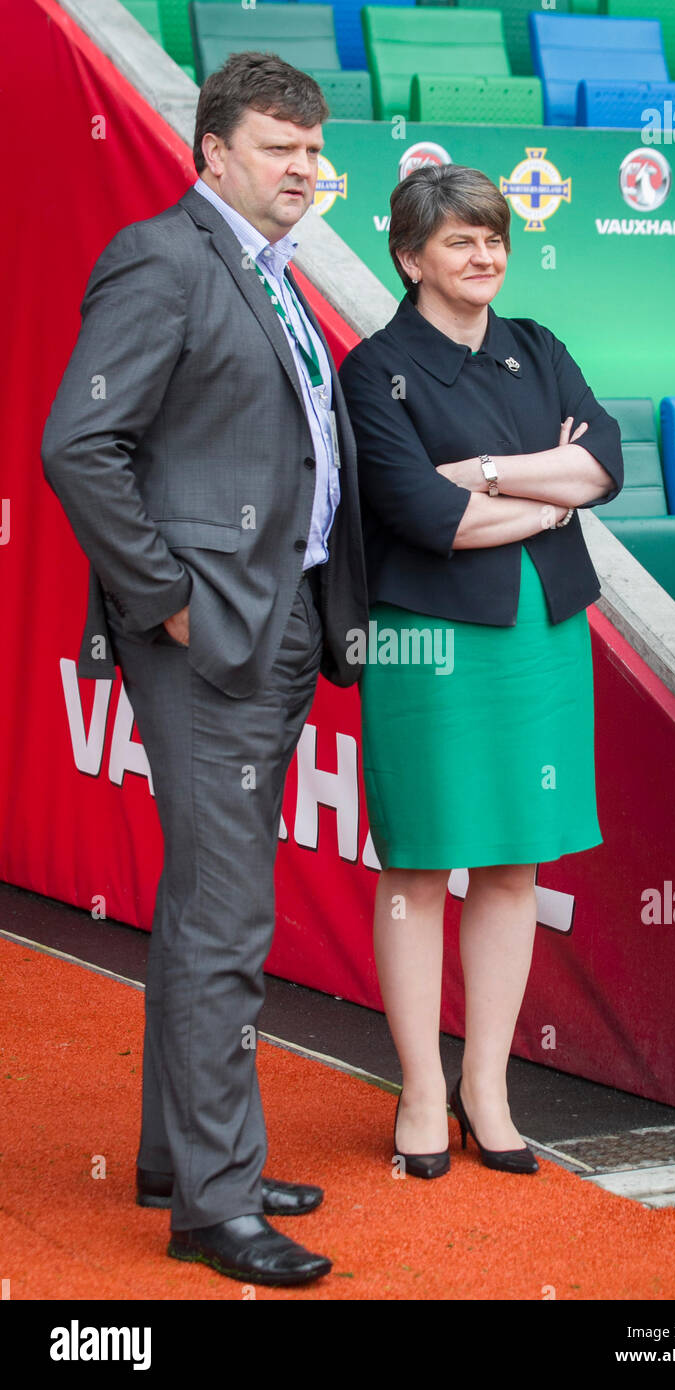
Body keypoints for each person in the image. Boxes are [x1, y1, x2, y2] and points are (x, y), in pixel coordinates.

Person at [41, 52, 368, 1286]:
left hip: (276, 624)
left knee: (201, 910)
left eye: (311, 146)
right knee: (226, 918)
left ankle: (183, 1159)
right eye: (278, 144)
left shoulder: (269, 275)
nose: (301, 165)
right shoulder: (163, 255)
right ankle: (216, 1208)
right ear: (213, 152)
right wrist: (166, 602)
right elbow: (80, 441)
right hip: (214, 635)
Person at [338, 164, 623, 1178]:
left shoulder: (534, 346)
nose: (484, 255)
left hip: (539, 631)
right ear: (410, 258)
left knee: (512, 864)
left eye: (493, 238)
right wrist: (544, 499)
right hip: (428, 639)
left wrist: (495, 478)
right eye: (459, 241)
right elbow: (423, 517)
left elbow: (604, 466)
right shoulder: (373, 371)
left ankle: (485, 1084)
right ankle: (420, 1085)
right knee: (418, 862)